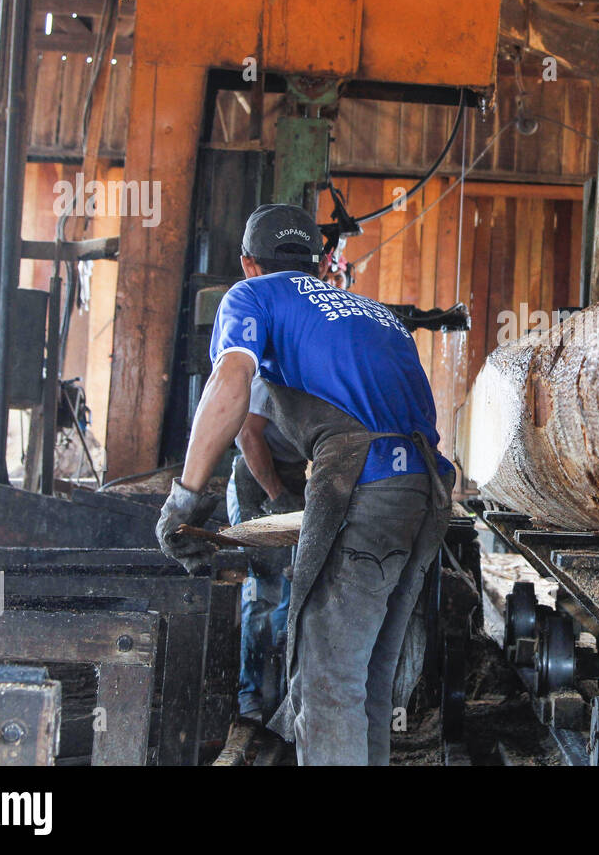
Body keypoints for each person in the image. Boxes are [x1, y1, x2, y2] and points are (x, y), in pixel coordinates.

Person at [155, 203, 454, 765]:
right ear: (321, 266)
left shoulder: (252, 295)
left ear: (248, 263)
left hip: (365, 488)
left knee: (325, 683)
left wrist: (186, 498)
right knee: (366, 679)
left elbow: (230, 385)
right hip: (428, 492)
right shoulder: (377, 313)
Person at [227, 375, 306, 726]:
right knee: (263, 593)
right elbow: (246, 434)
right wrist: (275, 495)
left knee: (291, 590)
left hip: (292, 480)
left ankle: (281, 691)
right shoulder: (270, 377)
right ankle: (251, 695)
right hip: (257, 481)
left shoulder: (315, 381)